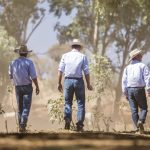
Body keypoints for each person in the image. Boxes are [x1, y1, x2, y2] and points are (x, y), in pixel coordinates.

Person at [58, 39, 92, 131]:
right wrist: (88, 84)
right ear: (79, 47)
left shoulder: (65, 56)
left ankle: (67, 120)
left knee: (67, 102)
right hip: (79, 81)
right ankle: (80, 125)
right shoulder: (83, 56)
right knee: (80, 103)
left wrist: (59, 83)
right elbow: (86, 72)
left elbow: (60, 70)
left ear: (72, 46)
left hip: (67, 81)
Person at [9, 45, 40, 132]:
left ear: (19, 53)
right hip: (27, 87)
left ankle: (20, 127)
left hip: (17, 87)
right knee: (26, 107)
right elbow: (33, 76)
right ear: (26, 53)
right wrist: (37, 86)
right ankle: (22, 125)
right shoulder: (29, 62)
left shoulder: (12, 63)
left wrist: (17, 79)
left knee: (20, 108)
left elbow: (10, 76)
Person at [122, 48, 150, 133]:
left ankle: (138, 128)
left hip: (130, 90)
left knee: (134, 110)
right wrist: (149, 89)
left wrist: (125, 93)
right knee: (144, 108)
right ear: (137, 56)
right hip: (139, 89)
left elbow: (124, 81)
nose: (141, 56)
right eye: (140, 55)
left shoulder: (127, 68)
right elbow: (147, 78)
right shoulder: (143, 66)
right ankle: (141, 121)